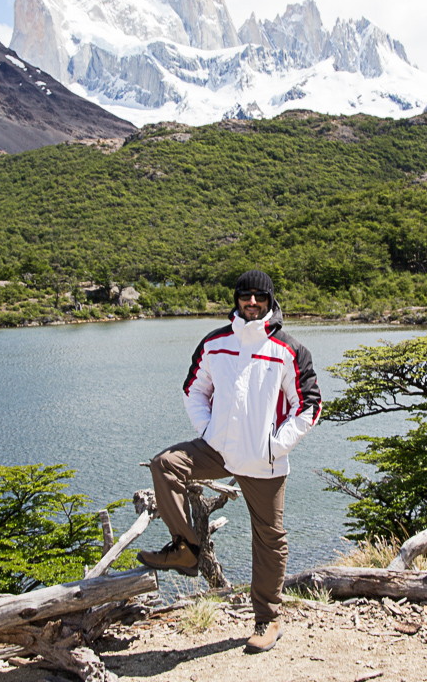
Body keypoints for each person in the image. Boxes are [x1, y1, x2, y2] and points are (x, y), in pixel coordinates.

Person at [137, 269, 322, 653]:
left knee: (269, 538)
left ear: (270, 300)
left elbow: (310, 405)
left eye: (259, 296)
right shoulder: (214, 343)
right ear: (236, 299)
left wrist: (275, 445)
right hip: (218, 448)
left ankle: (268, 620)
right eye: (245, 296)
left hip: (263, 458)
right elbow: (194, 389)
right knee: (164, 464)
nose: (251, 302)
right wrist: (209, 432)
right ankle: (187, 548)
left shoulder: (289, 349)